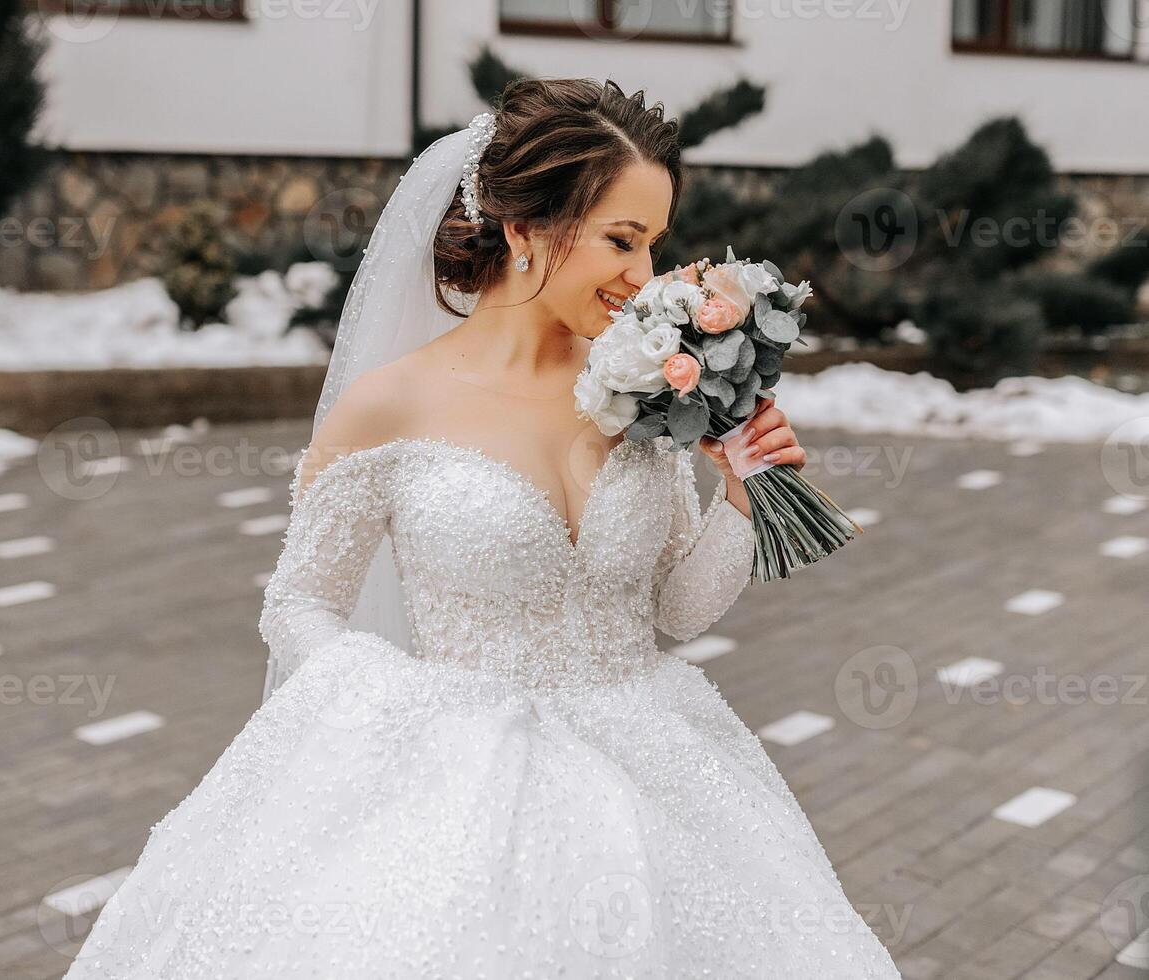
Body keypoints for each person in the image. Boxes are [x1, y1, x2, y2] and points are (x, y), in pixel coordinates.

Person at [63, 77, 902, 979]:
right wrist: (405, 711)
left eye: (655, 245)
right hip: (457, 793)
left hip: (653, 771)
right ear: (524, 226)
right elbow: (301, 605)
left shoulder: (645, 396)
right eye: (622, 240)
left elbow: (678, 612)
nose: (645, 280)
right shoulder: (391, 403)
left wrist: (743, 496)